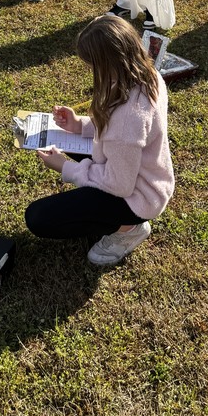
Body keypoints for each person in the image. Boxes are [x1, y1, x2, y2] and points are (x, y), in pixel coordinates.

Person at [24, 14, 174, 266]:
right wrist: (78, 124)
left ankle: (129, 229)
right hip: (141, 172)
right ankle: (112, 217)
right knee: (66, 140)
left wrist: (65, 168)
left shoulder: (129, 118)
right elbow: (116, 129)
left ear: (109, 63)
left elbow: (120, 184)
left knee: (38, 217)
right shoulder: (147, 76)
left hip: (138, 196)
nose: (92, 71)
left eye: (93, 65)